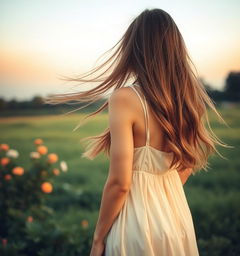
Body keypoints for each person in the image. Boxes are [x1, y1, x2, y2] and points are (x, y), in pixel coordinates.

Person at [45, 8, 228, 256]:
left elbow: (120, 183)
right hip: (176, 222)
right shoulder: (189, 100)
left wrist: (98, 238)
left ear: (134, 49)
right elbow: (183, 168)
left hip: (135, 226)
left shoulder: (125, 98)